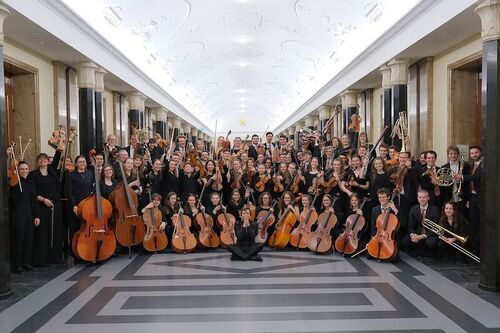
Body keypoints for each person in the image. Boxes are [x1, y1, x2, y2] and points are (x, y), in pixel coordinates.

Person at [9, 161, 39, 273]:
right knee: (18, 239)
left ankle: (26, 262)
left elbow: (34, 200)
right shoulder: (15, 182)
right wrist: (15, 188)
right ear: (18, 170)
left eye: (26, 169)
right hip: (18, 214)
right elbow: (11, 198)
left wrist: (36, 215)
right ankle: (17, 265)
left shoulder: (30, 182)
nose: (24, 171)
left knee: (28, 239)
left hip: (29, 213)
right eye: (21, 169)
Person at [402, 189, 440, 257]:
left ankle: (429, 253)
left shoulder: (435, 210)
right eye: (420, 197)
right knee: (405, 241)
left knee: (431, 243)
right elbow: (410, 226)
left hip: (429, 234)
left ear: (428, 198)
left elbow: (435, 228)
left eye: (424, 197)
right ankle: (417, 251)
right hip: (417, 233)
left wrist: (422, 236)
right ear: (417, 198)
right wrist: (412, 235)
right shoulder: (413, 209)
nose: (422, 199)